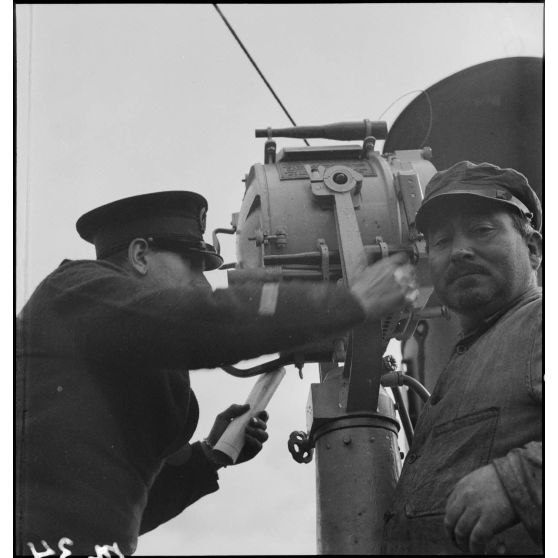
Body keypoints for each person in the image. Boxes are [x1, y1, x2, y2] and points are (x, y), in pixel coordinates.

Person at [16, 190, 415, 556]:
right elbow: (197, 323)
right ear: (140, 255)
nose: (203, 285)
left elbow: (124, 508)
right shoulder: (77, 290)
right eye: (192, 267)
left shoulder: (135, 347)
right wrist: (344, 303)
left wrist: (210, 457)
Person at [382, 161, 543, 555]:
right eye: (441, 242)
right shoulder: (464, 359)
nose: (459, 252)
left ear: (534, 249)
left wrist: (520, 480)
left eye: (482, 230)